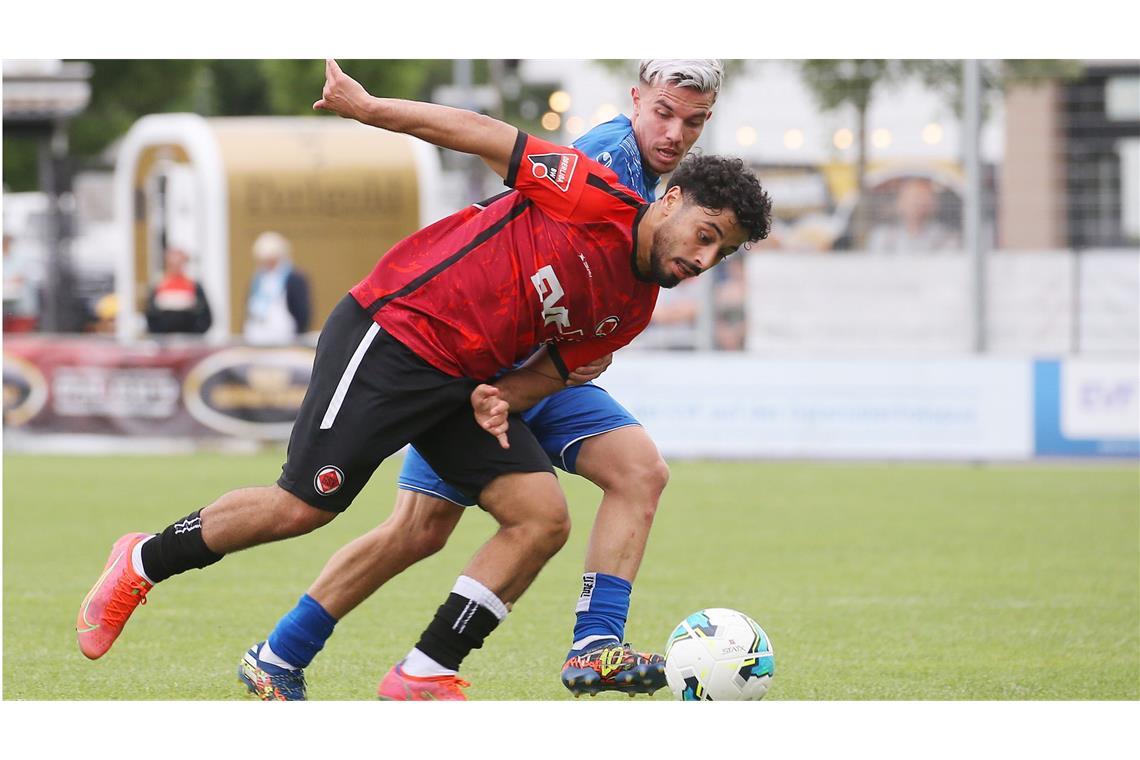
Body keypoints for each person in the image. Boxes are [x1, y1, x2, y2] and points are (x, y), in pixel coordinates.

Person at [75, 59, 772, 702]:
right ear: (670, 199)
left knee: (540, 518)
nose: (705, 258)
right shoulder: (593, 184)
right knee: (305, 507)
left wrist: (504, 400)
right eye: (704, 235)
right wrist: (367, 107)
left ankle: (426, 672)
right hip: (395, 331)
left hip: (466, 378)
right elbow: (482, 133)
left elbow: (553, 371)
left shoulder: (635, 306)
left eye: (721, 250)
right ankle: (144, 559)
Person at [239, 59, 728, 702]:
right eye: (663, 113)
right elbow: (527, 225)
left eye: (692, 121)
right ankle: (285, 654)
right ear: (636, 100)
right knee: (418, 529)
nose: (674, 132)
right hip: (485, 362)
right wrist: (371, 108)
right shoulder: (604, 160)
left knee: (638, 472)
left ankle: (594, 647)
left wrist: (580, 347)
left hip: (538, 368)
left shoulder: (660, 182)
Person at [243, 230, 312, 345]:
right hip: (257, 338)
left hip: (285, 339)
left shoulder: (294, 278)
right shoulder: (257, 279)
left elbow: (302, 312)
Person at [866, 177, 960, 254]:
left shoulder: (947, 237)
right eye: (911, 197)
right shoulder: (882, 236)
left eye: (922, 197)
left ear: (933, 203)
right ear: (899, 203)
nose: (916, 203)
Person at [143, 247, 212, 334]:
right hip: (164, 341)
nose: (176, 268)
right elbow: (150, 316)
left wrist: (195, 333)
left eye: (179, 263)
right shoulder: (158, 286)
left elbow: (206, 317)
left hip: (189, 339)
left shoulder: (193, 286)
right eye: (172, 264)